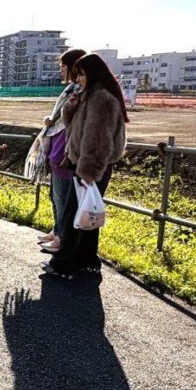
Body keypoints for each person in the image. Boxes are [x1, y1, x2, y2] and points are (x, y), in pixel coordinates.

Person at [41, 53, 128, 276]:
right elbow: (74, 127)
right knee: (87, 216)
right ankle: (87, 260)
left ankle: (63, 264)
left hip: (91, 166)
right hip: (84, 164)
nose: (77, 78)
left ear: (92, 73)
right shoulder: (90, 96)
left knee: (73, 217)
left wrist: (86, 171)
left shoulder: (101, 99)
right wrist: (71, 106)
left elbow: (97, 139)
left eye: (80, 74)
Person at [38, 49, 87, 253]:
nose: (60, 71)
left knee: (62, 197)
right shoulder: (70, 89)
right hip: (58, 145)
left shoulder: (78, 91)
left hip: (65, 149)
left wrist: (54, 120)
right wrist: (52, 119)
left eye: (63, 67)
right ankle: (57, 230)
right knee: (55, 195)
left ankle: (61, 237)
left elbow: (73, 122)